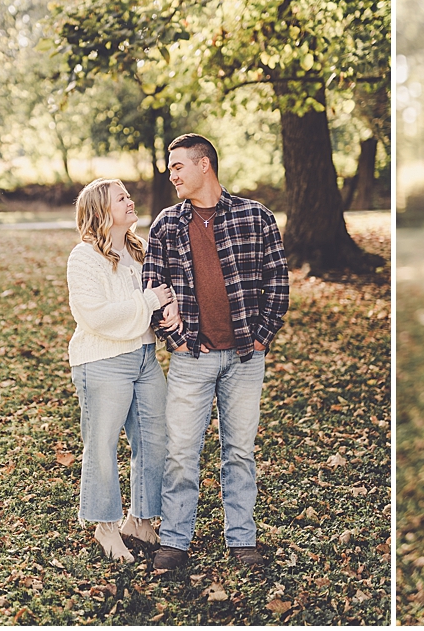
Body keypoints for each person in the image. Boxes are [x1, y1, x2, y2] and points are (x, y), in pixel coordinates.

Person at [143, 133, 289, 572]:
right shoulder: (166, 225)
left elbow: (278, 284)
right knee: (182, 452)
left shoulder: (254, 216)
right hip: (192, 359)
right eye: (171, 168)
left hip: (246, 357)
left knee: (240, 452)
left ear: (204, 165)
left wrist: (261, 338)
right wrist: (176, 338)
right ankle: (174, 542)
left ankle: (242, 542)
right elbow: (151, 287)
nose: (172, 175)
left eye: (178, 167)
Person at [67, 178, 175, 563]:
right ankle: (106, 527)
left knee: (154, 438)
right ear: (100, 210)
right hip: (102, 362)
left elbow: (165, 295)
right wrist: (147, 300)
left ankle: (141, 520)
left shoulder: (139, 248)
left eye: (129, 196)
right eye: (121, 198)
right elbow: (95, 316)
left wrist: (166, 308)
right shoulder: (84, 258)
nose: (131, 201)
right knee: (102, 445)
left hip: (145, 358)